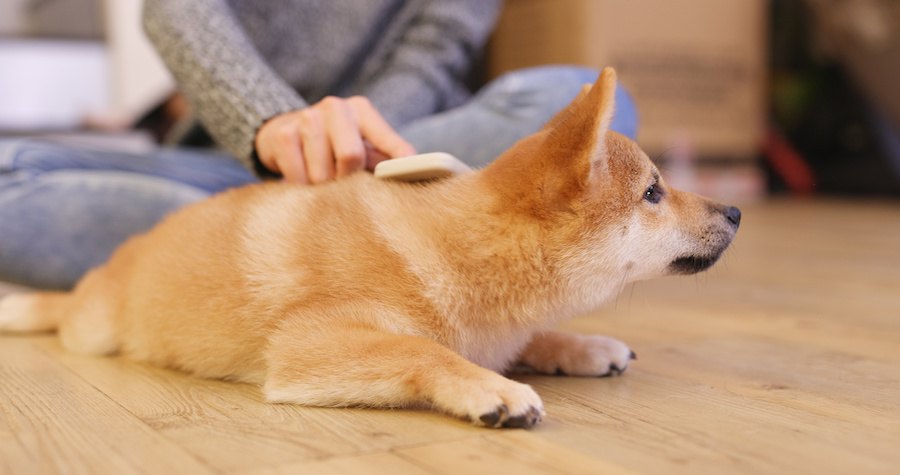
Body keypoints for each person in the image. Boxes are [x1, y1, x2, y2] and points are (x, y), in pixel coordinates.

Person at [0, 0, 638, 290]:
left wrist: (356, 148)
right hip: (223, 153)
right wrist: (268, 121)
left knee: (584, 99)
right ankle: (248, 209)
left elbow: (435, 51)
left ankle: (218, 234)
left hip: (390, 161)